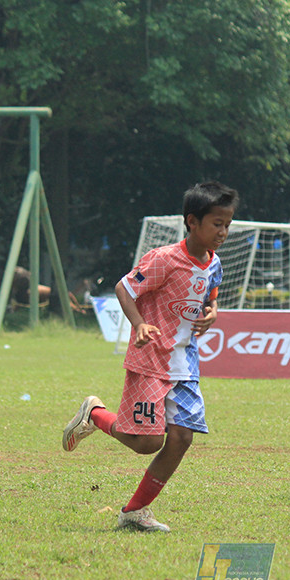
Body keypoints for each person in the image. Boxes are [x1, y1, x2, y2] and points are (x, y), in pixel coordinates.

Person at [61, 181, 238, 532]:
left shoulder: (214, 263)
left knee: (182, 438)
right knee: (148, 442)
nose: (223, 232)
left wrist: (213, 311)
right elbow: (124, 288)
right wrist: (139, 324)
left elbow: (211, 295)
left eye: (227, 224)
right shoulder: (164, 259)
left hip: (186, 364)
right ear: (192, 221)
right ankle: (94, 414)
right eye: (216, 223)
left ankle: (134, 510)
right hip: (151, 361)